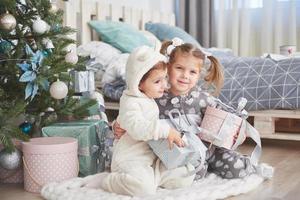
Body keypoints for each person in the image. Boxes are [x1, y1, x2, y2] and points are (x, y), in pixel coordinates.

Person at [114, 38, 257, 179]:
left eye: (192, 72)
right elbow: (134, 115)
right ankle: (200, 169)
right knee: (191, 174)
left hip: (210, 149)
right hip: (181, 152)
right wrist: (118, 125)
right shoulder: (155, 96)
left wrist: (239, 129)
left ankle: (226, 164)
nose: (185, 76)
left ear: (198, 75)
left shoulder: (201, 97)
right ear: (168, 67)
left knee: (238, 167)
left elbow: (227, 115)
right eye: (179, 68)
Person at [83, 46, 195, 196]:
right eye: (157, 81)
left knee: (185, 175)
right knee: (144, 189)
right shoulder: (131, 101)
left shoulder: (148, 98)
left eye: (165, 79)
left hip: (150, 157)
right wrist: (166, 131)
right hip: (131, 159)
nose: (164, 85)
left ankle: (152, 178)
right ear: (138, 83)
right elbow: (137, 126)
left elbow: (127, 120)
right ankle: (109, 180)